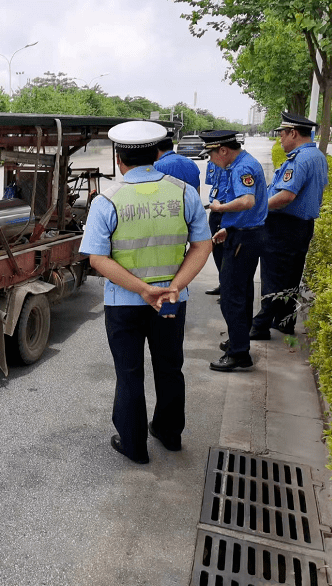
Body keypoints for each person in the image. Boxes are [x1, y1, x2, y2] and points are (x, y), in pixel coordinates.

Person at [80, 121, 212, 464]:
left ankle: (134, 445)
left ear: (118, 158)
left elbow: (97, 258)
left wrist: (141, 290)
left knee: (129, 372)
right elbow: (202, 246)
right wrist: (174, 287)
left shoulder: (106, 199)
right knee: (170, 368)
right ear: (157, 154)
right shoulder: (185, 193)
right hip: (170, 301)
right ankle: (169, 435)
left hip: (124, 304)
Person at [250, 112, 329, 339]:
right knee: (290, 276)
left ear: (293, 133)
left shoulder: (300, 159)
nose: (280, 140)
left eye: (282, 135)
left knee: (274, 277)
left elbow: (285, 196)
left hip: (283, 227)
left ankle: (260, 326)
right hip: (301, 226)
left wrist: (259, 207)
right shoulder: (316, 156)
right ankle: (284, 322)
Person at [200, 130, 268, 372]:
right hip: (243, 234)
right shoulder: (242, 163)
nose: (210, 160)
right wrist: (229, 229)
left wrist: (220, 207)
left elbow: (247, 201)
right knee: (242, 292)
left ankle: (239, 353)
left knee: (231, 296)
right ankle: (239, 341)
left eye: (210, 154)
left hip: (245, 238)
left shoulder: (241, 167)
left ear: (223, 150)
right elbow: (250, 210)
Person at [204, 160, 228, 295]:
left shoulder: (234, 164)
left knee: (227, 251)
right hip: (215, 209)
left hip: (227, 209)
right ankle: (223, 283)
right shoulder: (211, 163)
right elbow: (214, 184)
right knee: (217, 249)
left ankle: (228, 288)